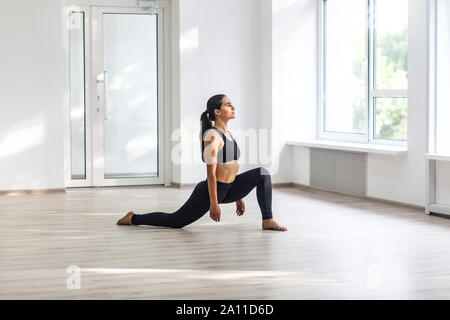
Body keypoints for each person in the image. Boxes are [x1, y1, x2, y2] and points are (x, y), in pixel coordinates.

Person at [116, 94, 287, 231]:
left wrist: (239, 195)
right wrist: (213, 203)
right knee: (175, 221)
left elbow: (231, 168)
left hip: (231, 188)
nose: (233, 107)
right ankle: (133, 218)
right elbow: (211, 173)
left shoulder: (228, 134)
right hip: (211, 191)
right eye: (228, 104)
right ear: (217, 112)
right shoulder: (212, 136)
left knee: (262, 173)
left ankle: (268, 219)